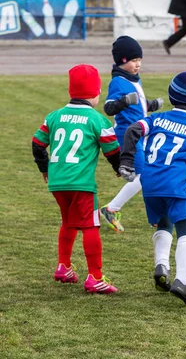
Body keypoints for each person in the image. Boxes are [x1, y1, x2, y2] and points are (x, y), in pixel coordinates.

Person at [119, 71, 186, 307]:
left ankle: (161, 265)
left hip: (150, 183)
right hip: (177, 183)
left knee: (164, 223)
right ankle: (183, 280)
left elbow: (132, 130)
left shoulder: (156, 119)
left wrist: (127, 161)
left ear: (171, 96)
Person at [32, 64, 121, 294]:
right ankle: (95, 277)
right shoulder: (98, 120)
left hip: (57, 182)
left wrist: (44, 168)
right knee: (91, 225)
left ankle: (64, 266)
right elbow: (112, 150)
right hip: (81, 184)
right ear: (95, 93)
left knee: (68, 222)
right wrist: (119, 169)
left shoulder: (54, 116)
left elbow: (37, 144)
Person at [100, 36, 164, 232]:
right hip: (127, 134)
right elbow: (109, 107)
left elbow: (137, 103)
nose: (138, 64)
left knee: (146, 175)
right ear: (122, 61)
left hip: (139, 133)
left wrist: (150, 105)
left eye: (140, 60)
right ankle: (112, 208)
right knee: (144, 176)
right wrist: (124, 101)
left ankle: (156, 216)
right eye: (134, 61)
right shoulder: (118, 82)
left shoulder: (134, 79)